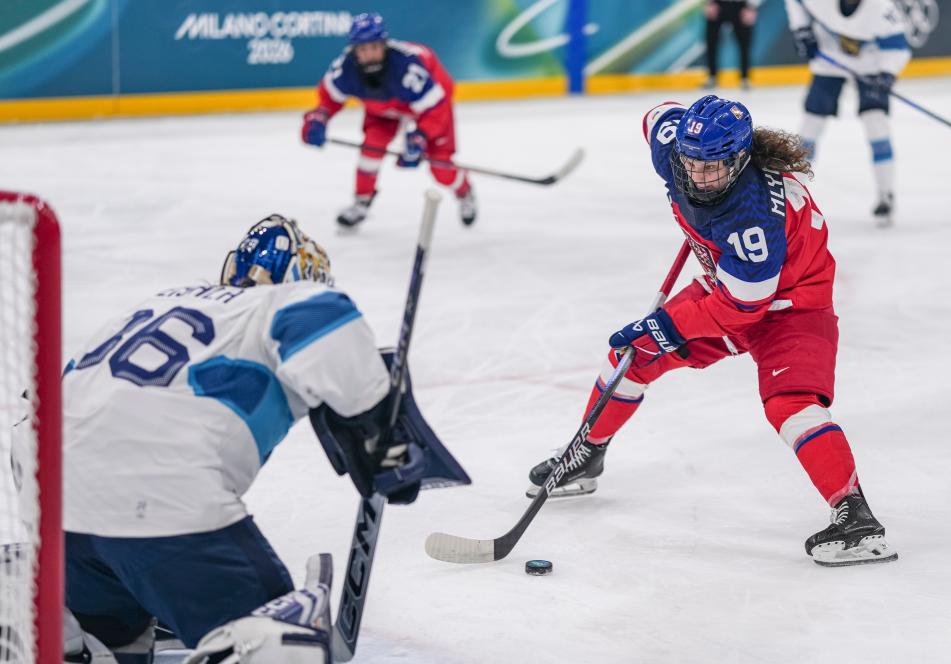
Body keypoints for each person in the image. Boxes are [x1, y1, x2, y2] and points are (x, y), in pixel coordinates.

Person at [57, 215, 468, 661]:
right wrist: (377, 426)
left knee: (112, 639)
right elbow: (320, 316)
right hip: (162, 505)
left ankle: (101, 625)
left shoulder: (157, 305)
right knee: (273, 645)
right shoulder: (283, 302)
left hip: (56, 515)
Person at [527, 95, 898, 567]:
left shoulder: (753, 218)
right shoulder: (675, 149)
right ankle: (588, 452)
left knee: (790, 404)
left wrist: (665, 325)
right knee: (632, 356)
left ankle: (855, 518)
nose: (698, 176)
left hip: (792, 306)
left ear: (740, 159)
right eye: (691, 162)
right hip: (727, 283)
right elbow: (657, 114)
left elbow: (741, 310)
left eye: (712, 167)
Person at [301, 12, 476, 229]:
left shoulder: (408, 67)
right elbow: (329, 99)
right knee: (371, 148)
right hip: (383, 109)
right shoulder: (345, 68)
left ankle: (465, 192)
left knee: (441, 169)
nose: (370, 54)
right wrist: (319, 117)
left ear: (384, 44)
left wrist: (421, 136)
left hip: (429, 104)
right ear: (354, 50)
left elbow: (436, 109)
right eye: (363, 49)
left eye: (374, 47)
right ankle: (362, 201)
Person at [785, 0, 911, 227]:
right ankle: (792, 195)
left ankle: (886, 194)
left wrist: (886, 73)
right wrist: (801, 29)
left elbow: (898, 46)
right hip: (829, 59)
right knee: (811, 125)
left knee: (876, 123)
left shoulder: (881, 8)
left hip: (870, 64)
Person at [703, 0, 760, 90]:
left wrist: (751, 7)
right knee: (711, 42)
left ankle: (745, 78)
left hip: (741, 5)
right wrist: (709, 3)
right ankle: (712, 77)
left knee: (745, 44)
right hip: (717, 3)